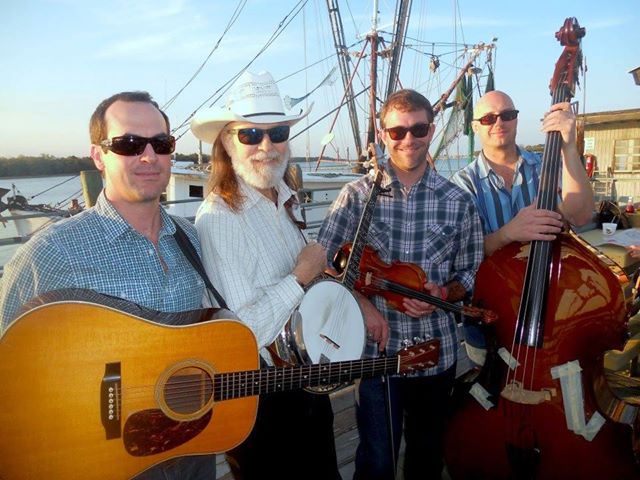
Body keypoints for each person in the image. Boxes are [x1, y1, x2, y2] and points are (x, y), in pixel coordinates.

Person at [0, 91, 214, 479]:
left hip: (191, 443)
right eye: (129, 144)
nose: (149, 157)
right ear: (99, 156)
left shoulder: (191, 238)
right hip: (103, 461)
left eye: (161, 143)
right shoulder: (52, 251)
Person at [317, 89, 484, 480]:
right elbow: (324, 265)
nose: (409, 139)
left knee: (427, 454)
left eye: (419, 128)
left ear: (432, 129)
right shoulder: (356, 196)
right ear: (383, 132)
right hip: (378, 353)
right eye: (398, 131)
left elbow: (470, 273)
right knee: (377, 457)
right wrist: (364, 303)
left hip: (436, 351)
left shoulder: (457, 201)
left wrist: (445, 294)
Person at [191, 70, 341, 480]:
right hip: (262, 397)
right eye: (250, 135)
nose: (267, 146)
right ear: (226, 141)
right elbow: (243, 332)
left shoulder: (284, 198)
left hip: (304, 377)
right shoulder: (220, 218)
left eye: (277, 132)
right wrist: (301, 276)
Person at [451, 90, 594, 258]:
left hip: (550, 278)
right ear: (475, 127)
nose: (499, 123)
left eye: (507, 115)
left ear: (516, 120)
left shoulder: (547, 166)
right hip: (491, 283)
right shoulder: (462, 184)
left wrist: (569, 147)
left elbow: (580, 217)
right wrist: (507, 233)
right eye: (488, 118)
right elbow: (461, 254)